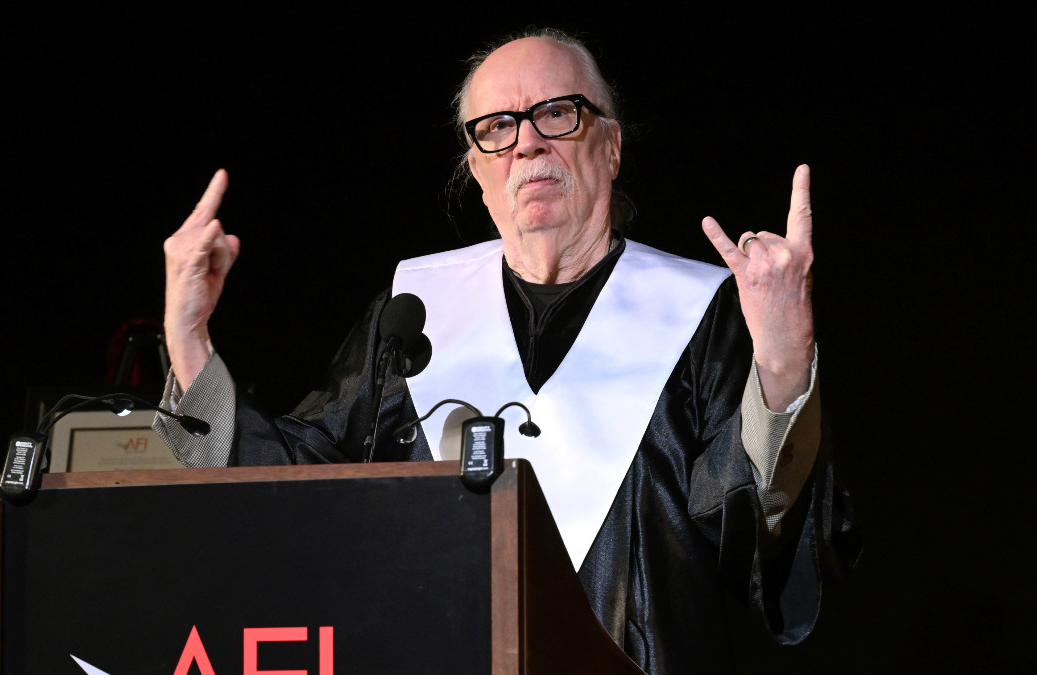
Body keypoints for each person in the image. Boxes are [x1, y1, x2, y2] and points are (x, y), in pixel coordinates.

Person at [154, 27, 858, 673]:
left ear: (610, 144)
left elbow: (756, 534)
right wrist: (189, 344)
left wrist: (783, 358)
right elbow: (292, 496)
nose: (526, 144)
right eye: (496, 128)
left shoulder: (704, 316)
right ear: (476, 167)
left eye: (557, 113)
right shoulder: (411, 316)